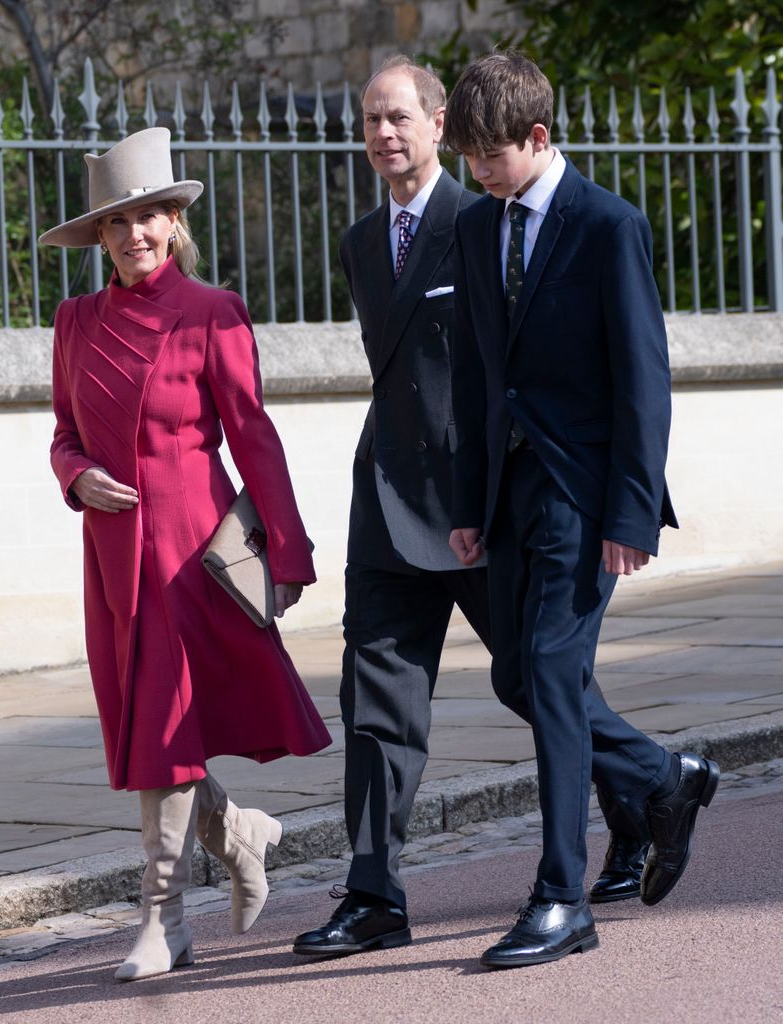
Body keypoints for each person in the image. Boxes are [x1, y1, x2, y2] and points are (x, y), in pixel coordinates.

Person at [292, 56, 655, 961]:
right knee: (374, 700)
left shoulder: (491, 216)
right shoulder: (360, 243)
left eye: (400, 117)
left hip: (493, 500)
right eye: (370, 120)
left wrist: (623, 508)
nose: (384, 134)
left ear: (439, 120)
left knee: (540, 682)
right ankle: (374, 892)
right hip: (392, 498)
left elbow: (567, 378)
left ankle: (644, 794)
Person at [444, 51, 719, 969]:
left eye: (492, 154)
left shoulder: (609, 225)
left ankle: (561, 897)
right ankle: (664, 777)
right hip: (510, 497)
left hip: (586, 493)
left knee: (553, 679)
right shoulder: (481, 230)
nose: (479, 172)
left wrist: (632, 515)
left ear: (538, 136)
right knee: (518, 679)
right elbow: (485, 379)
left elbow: (646, 378)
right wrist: (469, 501)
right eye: (468, 158)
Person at [40, 127, 331, 982]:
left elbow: (254, 437)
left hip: (191, 559)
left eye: (151, 217)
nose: (136, 234)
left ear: (174, 223)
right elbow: (62, 433)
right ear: (99, 236)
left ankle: (164, 921)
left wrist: (289, 549)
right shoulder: (74, 322)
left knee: (165, 731)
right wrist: (77, 476)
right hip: (112, 559)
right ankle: (243, 834)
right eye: (118, 222)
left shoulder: (212, 312)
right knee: (150, 734)